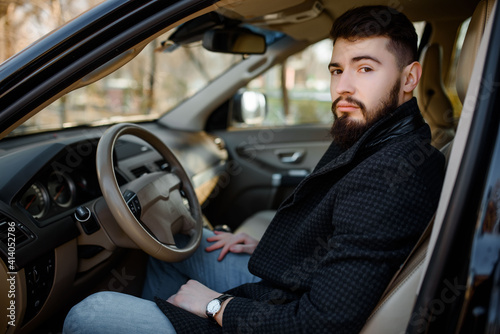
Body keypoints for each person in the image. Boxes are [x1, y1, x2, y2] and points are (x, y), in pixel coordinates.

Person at [63, 5, 445, 334]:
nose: (343, 87)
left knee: (88, 314)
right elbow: (345, 238)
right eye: (336, 69)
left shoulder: (396, 171)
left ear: (410, 77)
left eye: (365, 69)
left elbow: (321, 325)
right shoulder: (375, 134)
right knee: (179, 251)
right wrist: (270, 247)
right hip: (292, 289)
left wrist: (215, 307)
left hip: (289, 315)